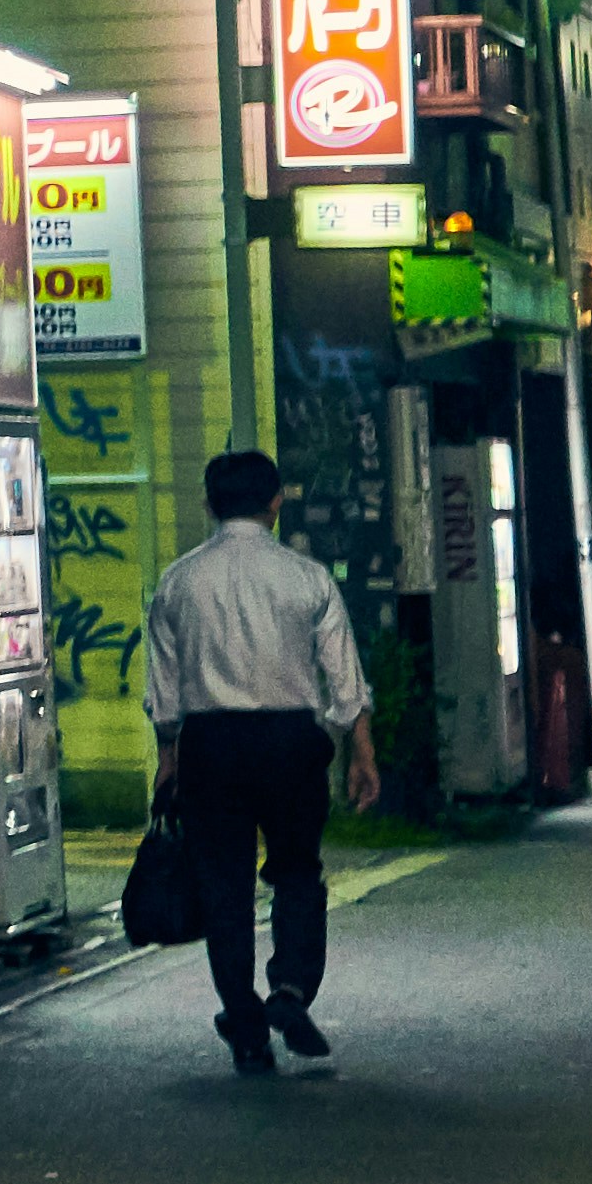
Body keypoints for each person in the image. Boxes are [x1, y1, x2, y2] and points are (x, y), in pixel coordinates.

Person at [132, 448, 378, 1077]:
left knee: (225, 891)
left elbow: (164, 685)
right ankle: (291, 990)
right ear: (275, 503)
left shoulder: (179, 581)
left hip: (211, 746)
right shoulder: (307, 578)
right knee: (297, 870)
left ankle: (243, 1023)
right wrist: (361, 752)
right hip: (292, 741)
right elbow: (344, 678)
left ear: (210, 504)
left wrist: (169, 753)